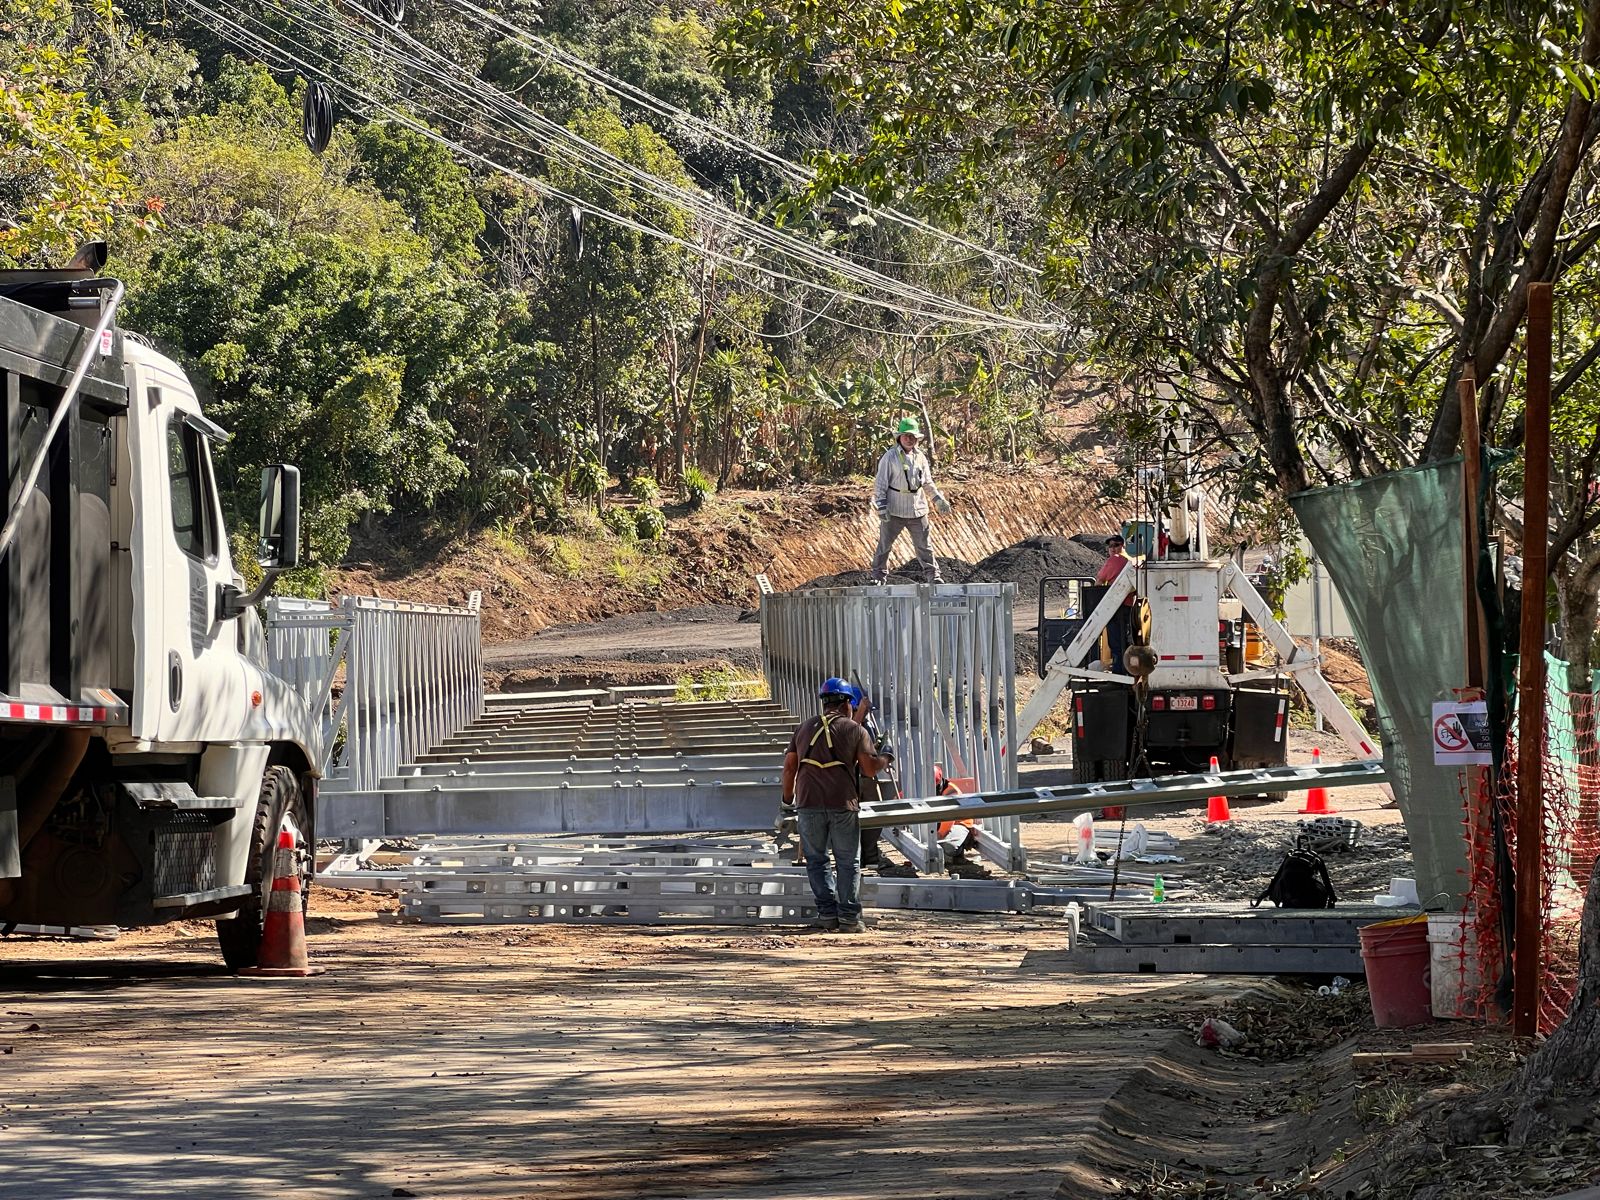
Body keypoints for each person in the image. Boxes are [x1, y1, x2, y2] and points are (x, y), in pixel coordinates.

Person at [782, 676, 894, 932]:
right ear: (848, 704)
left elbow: (789, 768)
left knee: (817, 860)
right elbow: (869, 769)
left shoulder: (803, 728)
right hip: (842, 803)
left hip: (808, 803)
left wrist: (787, 801)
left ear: (823, 703)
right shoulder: (855, 730)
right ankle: (849, 918)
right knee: (847, 862)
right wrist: (886, 756)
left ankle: (826, 915)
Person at [870, 417, 951, 585]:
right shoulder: (890, 457)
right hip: (894, 510)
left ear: (917, 439)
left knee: (924, 546)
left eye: (912, 436)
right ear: (899, 437)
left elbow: (927, 482)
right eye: (906, 435)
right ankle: (877, 577)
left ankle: (933, 576)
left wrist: (937, 499)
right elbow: (880, 484)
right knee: (884, 545)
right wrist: (882, 506)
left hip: (917, 508)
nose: (909, 439)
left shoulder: (920, 457)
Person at [1096, 533, 1134, 672]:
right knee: (1127, 640)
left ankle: (1119, 671)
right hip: (1130, 608)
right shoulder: (1132, 561)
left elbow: (1099, 580)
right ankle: (1127, 669)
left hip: (1116, 608)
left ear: (1122, 546)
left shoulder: (1115, 560)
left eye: (1116, 545)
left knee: (1116, 643)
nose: (1112, 548)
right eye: (1110, 546)